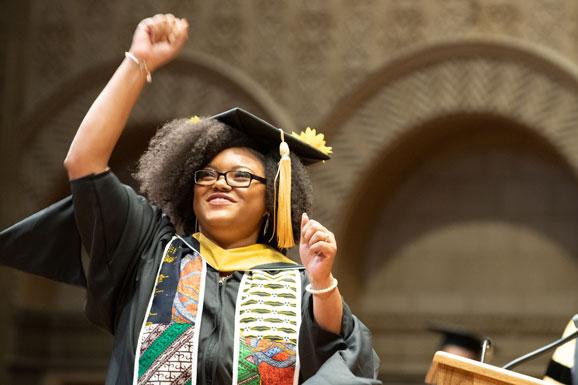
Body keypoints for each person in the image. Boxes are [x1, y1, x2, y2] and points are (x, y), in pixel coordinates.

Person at [1, 14, 381, 385]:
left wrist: (322, 282)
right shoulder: (150, 249)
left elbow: (340, 352)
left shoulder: (296, 285)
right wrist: (139, 63)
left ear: (274, 198)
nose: (220, 183)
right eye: (208, 175)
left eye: (241, 177)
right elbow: (84, 163)